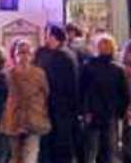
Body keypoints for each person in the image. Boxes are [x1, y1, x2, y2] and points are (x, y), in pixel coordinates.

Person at [34, 25, 80, 163]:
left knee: (59, 143)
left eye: (48, 36)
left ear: (55, 38)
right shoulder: (53, 54)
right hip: (55, 106)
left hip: (59, 107)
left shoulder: (62, 57)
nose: (46, 39)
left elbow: (64, 83)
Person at [80, 34, 130, 163]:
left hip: (98, 113)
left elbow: (82, 91)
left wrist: (84, 111)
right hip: (105, 114)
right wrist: (120, 111)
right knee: (103, 151)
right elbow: (124, 94)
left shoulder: (90, 66)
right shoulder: (116, 69)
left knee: (95, 151)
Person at [0, 39, 51, 163]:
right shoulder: (7, 75)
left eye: (27, 52)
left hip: (34, 119)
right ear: (14, 55)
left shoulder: (39, 74)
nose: (24, 56)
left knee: (30, 156)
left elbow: (46, 93)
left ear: (32, 55)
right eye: (21, 52)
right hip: (14, 120)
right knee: (15, 157)